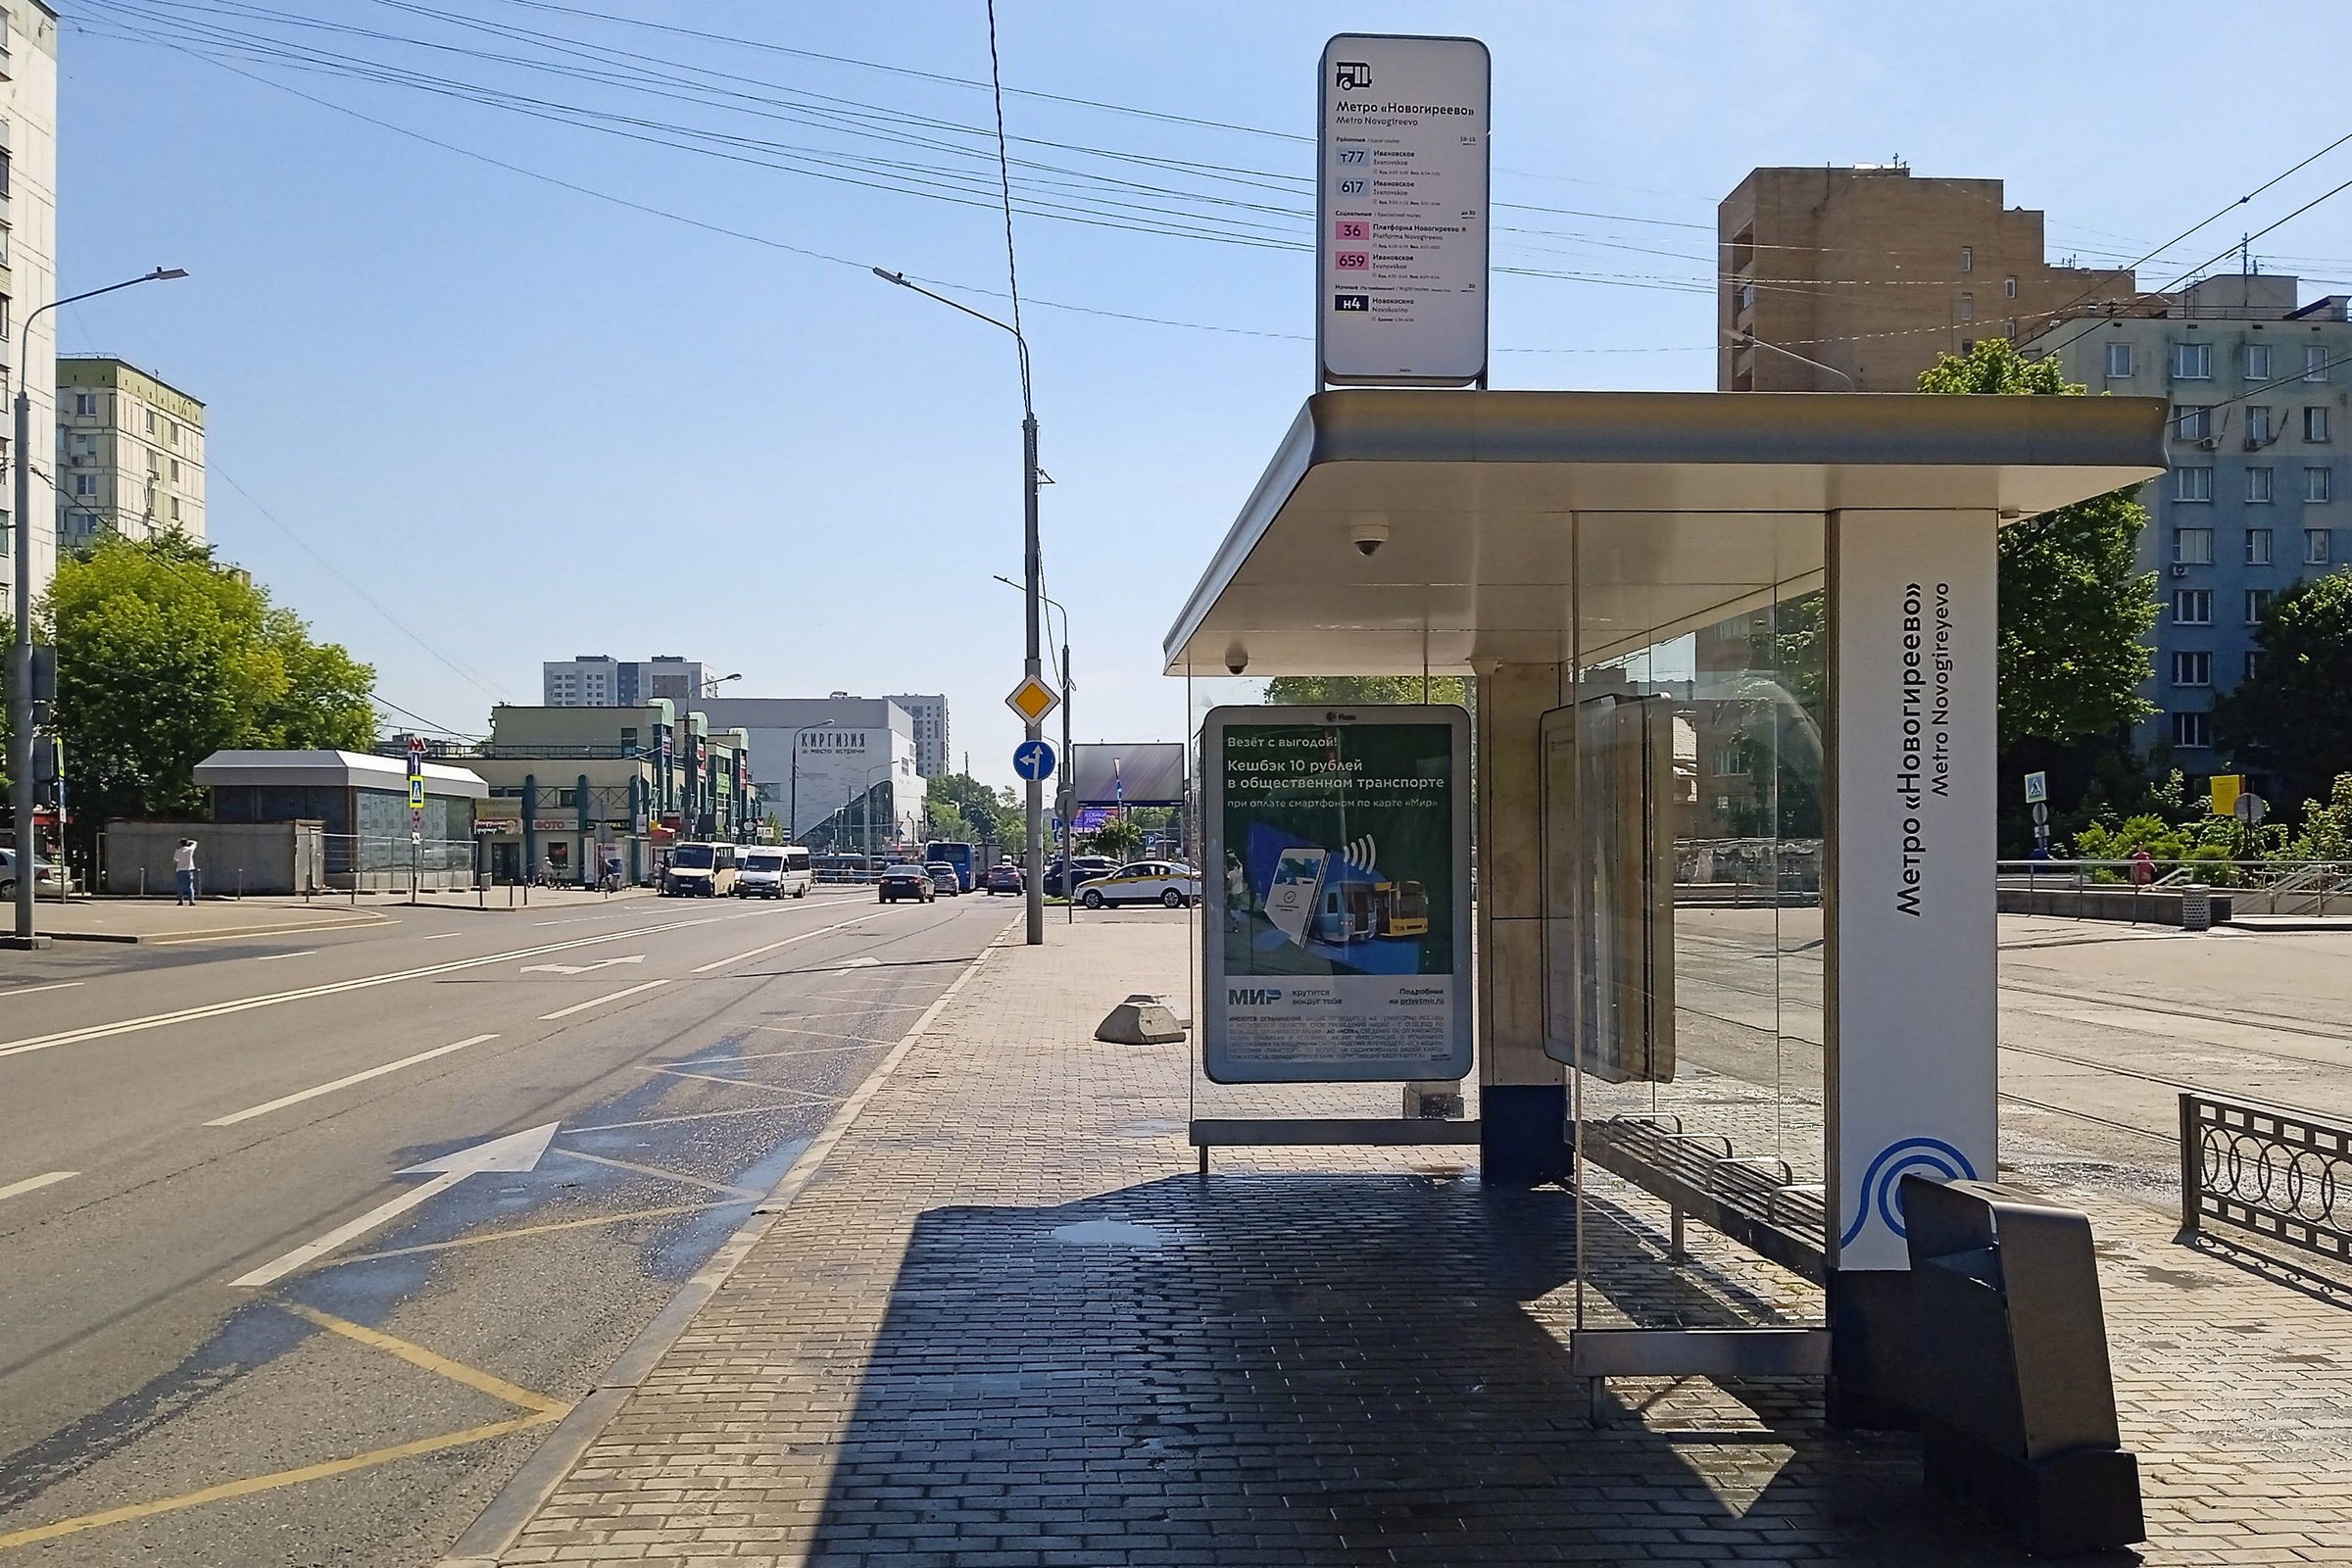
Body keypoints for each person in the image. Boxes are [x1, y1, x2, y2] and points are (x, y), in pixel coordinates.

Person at [172, 838, 199, 905]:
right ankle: (191, 901)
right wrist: (189, 841)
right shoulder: (190, 849)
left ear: (180, 844)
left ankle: (180, 901)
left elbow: (175, 861)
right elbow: (195, 842)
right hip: (188, 869)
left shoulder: (178, 851)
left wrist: (176, 865)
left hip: (180, 869)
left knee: (180, 886)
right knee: (190, 886)